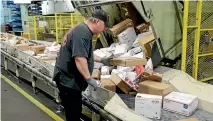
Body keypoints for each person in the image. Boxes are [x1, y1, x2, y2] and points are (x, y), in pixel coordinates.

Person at [53, 9, 112, 121]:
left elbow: (85, 53)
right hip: (68, 80)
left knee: (74, 110)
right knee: (73, 113)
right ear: (97, 21)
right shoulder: (82, 33)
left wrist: (102, 60)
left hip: (68, 78)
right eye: (105, 25)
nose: (105, 29)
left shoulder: (83, 29)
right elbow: (79, 58)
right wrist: (89, 78)